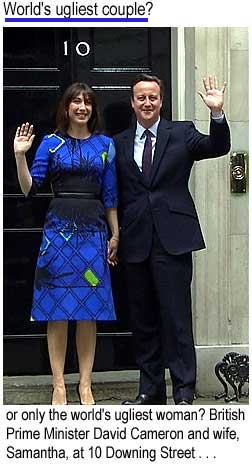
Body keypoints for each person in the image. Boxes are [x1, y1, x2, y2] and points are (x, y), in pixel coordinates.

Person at [114, 74, 230, 405]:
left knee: (177, 318)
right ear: (132, 103)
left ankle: (183, 391)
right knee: (143, 321)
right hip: (136, 241)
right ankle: (150, 391)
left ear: (161, 101)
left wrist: (217, 114)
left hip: (173, 239)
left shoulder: (181, 133)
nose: (147, 102)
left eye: (153, 97)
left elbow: (217, 147)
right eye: (141, 98)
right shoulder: (119, 142)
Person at [14, 82, 119, 405]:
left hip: (93, 231)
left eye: (87, 102)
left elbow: (111, 195)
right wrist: (20, 157)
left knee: (88, 310)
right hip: (58, 233)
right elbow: (30, 188)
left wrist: (115, 234)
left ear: (93, 109)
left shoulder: (105, 145)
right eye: (76, 101)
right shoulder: (51, 143)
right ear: (67, 107)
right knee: (56, 310)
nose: (82, 107)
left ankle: (85, 384)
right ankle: (58, 384)